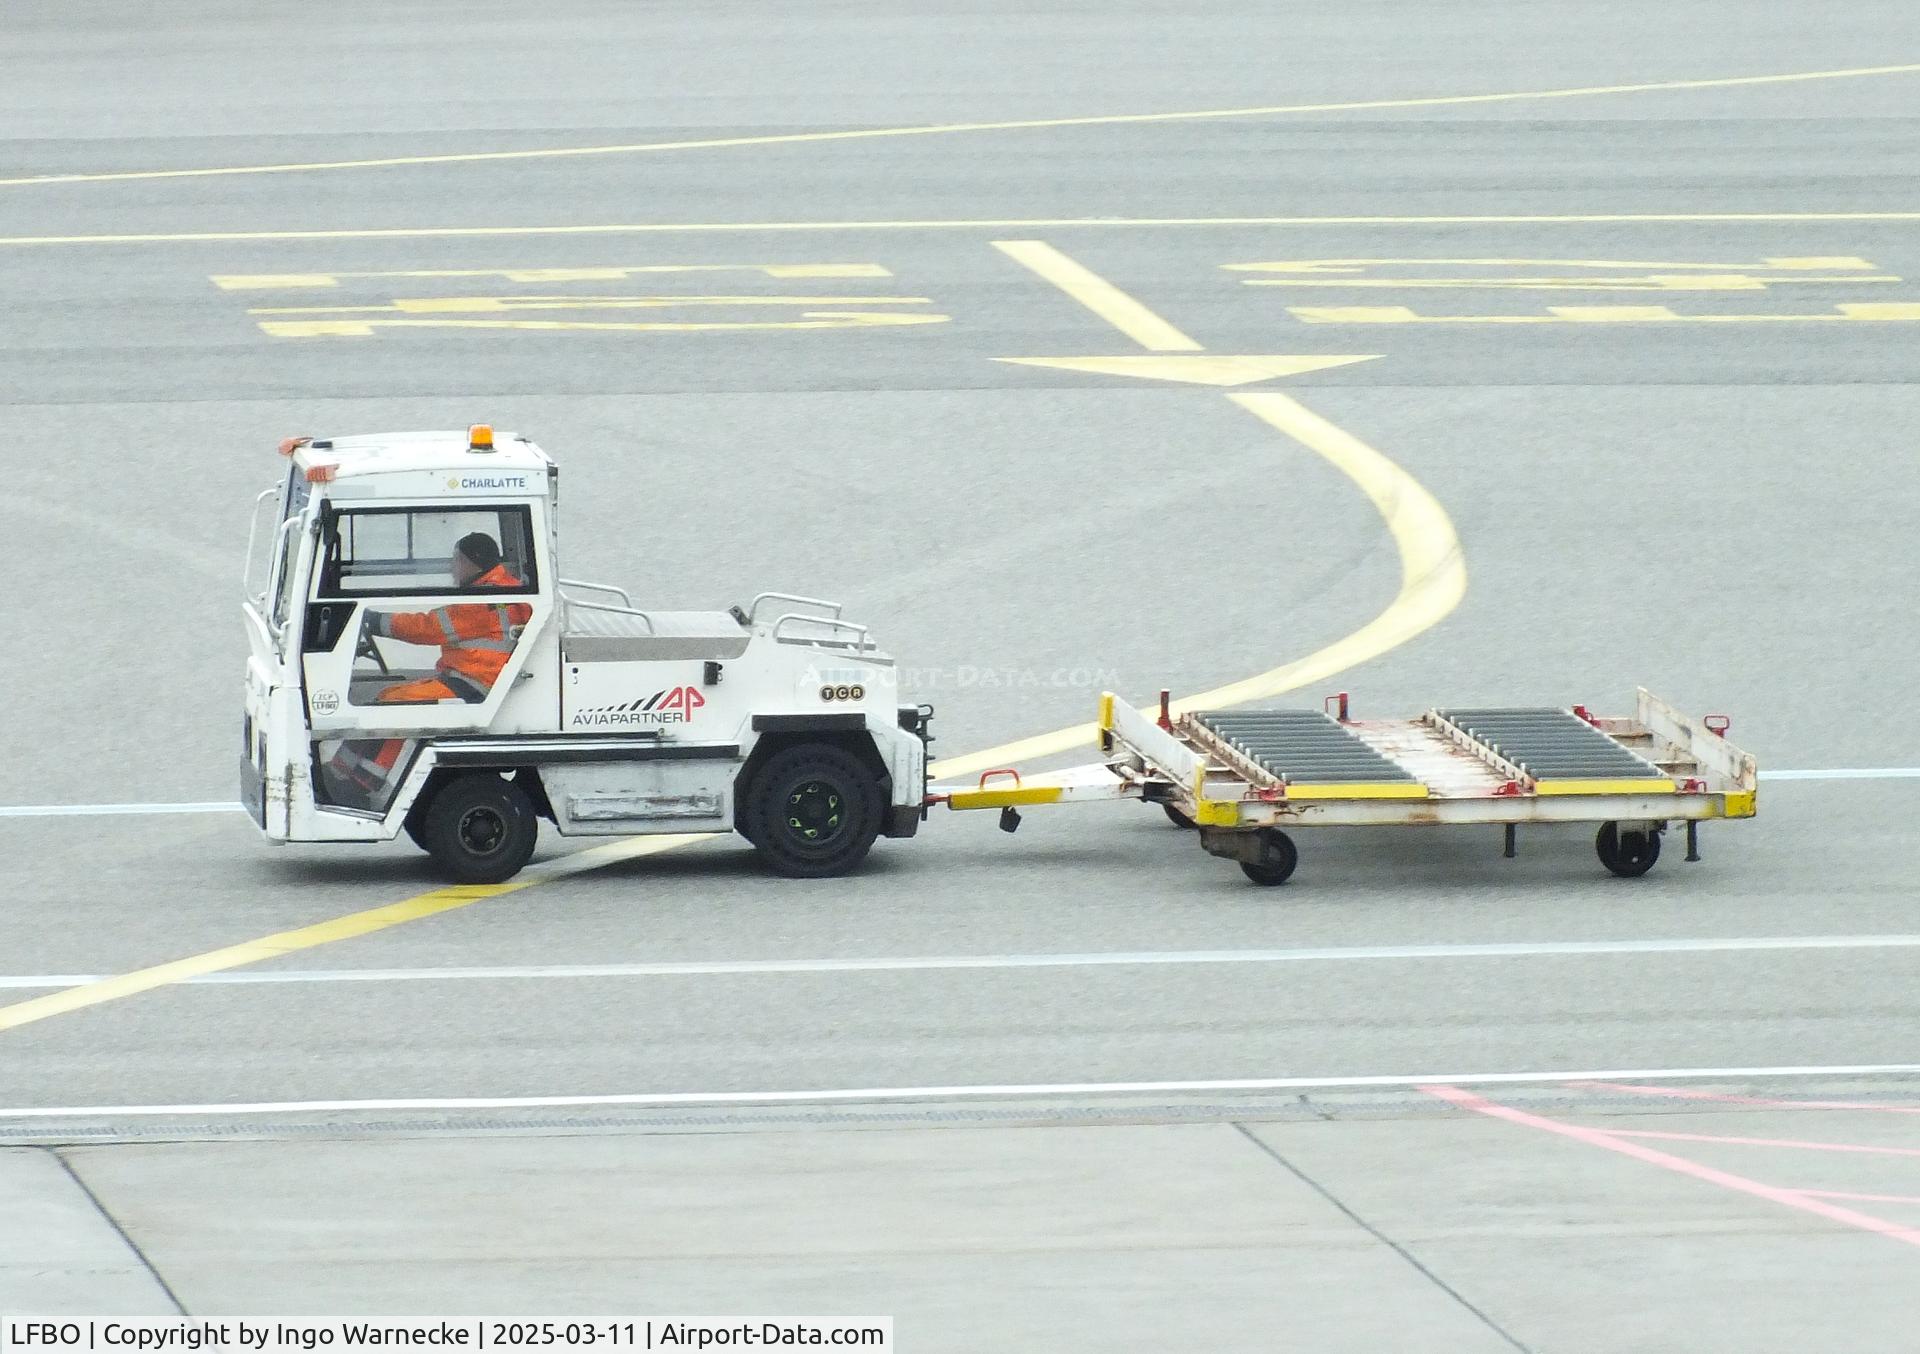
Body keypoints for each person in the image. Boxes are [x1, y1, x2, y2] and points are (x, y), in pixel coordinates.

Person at [325, 533, 532, 807]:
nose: (452, 567)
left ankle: (363, 783)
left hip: (476, 682)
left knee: (396, 704)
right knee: (390, 693)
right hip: (476, 676)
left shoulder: (484, 598)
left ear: (473, 563)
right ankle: (341, 771)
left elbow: (427, 628)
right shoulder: (501, 586)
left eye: (456, 560)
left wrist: (372, 621)